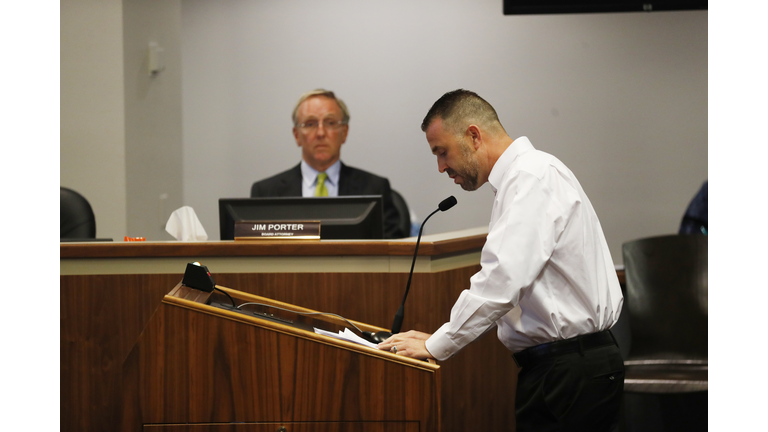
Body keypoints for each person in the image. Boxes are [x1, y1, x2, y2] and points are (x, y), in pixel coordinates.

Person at [377, 89, 624, 431]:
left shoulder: (531, 177)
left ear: (474, 136)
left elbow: (501, 280)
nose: (440, 167)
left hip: (571, 371)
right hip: (565, 368)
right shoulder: (524, 177)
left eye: (442, 152)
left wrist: (438, 343)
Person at [250, 89, 407, 239]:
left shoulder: (374, 188)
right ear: (297, 135)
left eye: (330, 122)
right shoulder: (266, 192)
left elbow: (392, 253)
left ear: (344, 133)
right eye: (310, 124)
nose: (320, 133)